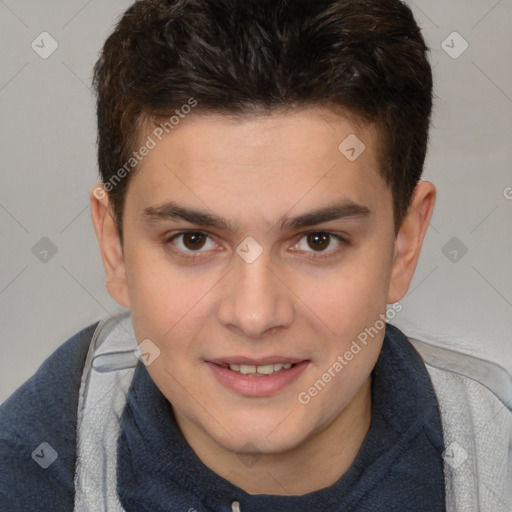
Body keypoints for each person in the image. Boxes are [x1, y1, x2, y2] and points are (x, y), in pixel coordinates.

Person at [1, 0, 511, 510]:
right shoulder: (25, 475)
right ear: (114, 247)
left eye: (317, 241)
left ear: (404, 244)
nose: (254, 315)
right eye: (193, 240)